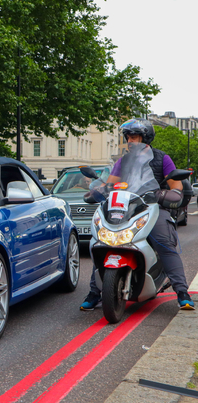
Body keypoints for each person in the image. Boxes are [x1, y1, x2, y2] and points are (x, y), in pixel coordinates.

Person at [80, 118, 195, 311]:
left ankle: (182, 292)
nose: (131, 141)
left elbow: (176, 187)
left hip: (153, 207)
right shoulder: (123, 161)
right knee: (105, 241)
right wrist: (98, 190)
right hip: (126, 208)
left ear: (146, 137)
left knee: (164, 241)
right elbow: (110, 184)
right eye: (129, 137)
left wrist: (164, 193)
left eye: (134, 136)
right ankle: (95, 292)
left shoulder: (162, 158)